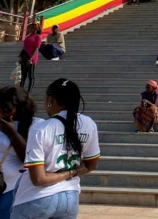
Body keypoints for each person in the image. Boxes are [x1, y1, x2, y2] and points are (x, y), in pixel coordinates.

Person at [11, 79, 100, 219]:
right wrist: (74, 171)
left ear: (50, 100)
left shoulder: (40, 129)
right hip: (70, 198)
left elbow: (38, 179)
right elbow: (92, 164)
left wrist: (70, 173)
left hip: (36, 198)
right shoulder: (89, 124)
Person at [0, 86, 42, 219]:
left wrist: (12, 132)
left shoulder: (37, 126)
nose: (2, 113)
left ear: (21, 107)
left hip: (14, 189)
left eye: (6, 110)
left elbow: (29, 159)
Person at [19, 24, 41, 94]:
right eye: (29, 28)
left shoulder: (38, 36)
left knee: (31, 76)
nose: (30, 30)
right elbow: (24, 48)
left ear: (36, 29)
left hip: (31, 57)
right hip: (24, 56)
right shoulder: (28, 36)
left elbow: (36, 48)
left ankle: (29, 92)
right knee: (23, 75)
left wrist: (31, 59)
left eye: (32, 28)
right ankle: (20, 90)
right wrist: (20, 57)